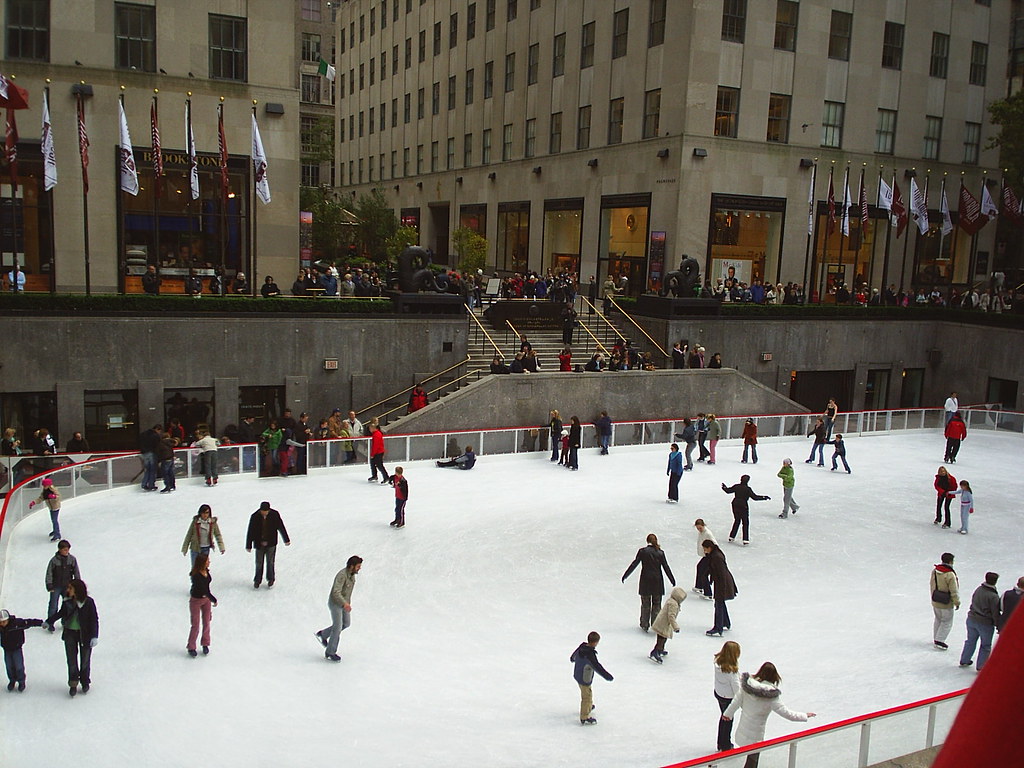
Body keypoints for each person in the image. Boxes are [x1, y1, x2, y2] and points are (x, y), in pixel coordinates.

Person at [722, 662, 816, 767]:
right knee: (752, 761)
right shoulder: (771, 697)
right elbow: (787, 713)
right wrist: (804, 715)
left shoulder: (747, 686)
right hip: (755, 736)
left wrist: (728, 714)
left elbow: (736, 701)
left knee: (750, 759)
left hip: (743, 730)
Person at [47, 579, 99, 697]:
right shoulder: (67, 601)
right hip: (70, 633)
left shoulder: (88, 602)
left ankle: (85, 681)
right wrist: (49, 621)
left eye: (70, 588)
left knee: (85, 660)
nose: (68, 590)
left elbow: (94, 619)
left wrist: (94, 635)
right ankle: (73, 683)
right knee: (71, 660)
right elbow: (61, 613)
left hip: (84, 634)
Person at [622, 533, 676, 633]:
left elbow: (635, 563)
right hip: (657, 581)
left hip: (645, 581)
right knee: (657, 604)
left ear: (647, 541)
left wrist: (626, 574)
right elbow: (666, 567)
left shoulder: (642, 552)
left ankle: (644, 624)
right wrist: (672, 579)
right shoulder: (660, 553)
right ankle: (655, 623)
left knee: (645, 603)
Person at [316, 555, 363, 662]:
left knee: (346, 623)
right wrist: (344, 603)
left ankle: (323, 634)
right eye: (358, 566)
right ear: (351, 566)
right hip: (336, 604)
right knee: (337, 628)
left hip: (344, 604)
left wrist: (347, 604)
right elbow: (336, 592)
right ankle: (330, 652)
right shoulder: (342, 575)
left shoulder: (351, 575)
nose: (359, 568)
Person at [959, 572, 1001, 671]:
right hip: (985, 623)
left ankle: (964, 659)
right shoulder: (993, 596)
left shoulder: (978, 589)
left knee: (970, 641)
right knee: (985, 645)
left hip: (972, 619)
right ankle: (981, 666)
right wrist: (998, 624)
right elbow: (995, 612)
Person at [570, 631, 613, 725]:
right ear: (595, 642)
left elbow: (573, 656)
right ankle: (584, 716)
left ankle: (588, 706)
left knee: (587, 693)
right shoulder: (590, 655)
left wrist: (573, 659)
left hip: (577, 674)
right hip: (584, 678)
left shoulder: (582, 647)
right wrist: (607, 676)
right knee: (587, 696)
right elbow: (597, 667)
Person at [245, 501, 291, 589]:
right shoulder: (255, 516)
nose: (264, 513)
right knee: (259, 562)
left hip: (271, 543)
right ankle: (257, 580)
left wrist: (286, 539)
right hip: (259, 543)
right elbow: (250, 531)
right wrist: (248, 545)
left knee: (270, 562)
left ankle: (271, 579)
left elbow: (281, 526)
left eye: (266, 511)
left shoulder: (274, 515)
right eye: (262, 511)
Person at [0, 609, 45, 692]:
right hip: (7, 650)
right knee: (9, 666)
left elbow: (29, 622)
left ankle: (21, 681)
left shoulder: (17, 624)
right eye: (1, 622)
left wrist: (40, 623)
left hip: (17, 649)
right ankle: (12, 680)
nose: (2, 624)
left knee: (19, 666)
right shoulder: (1, 628)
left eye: (4, 622)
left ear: (8, 619)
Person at [703, 540, 738, 636]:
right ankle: (725, 622)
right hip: (722, 582)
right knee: (720, 603)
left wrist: (722, 589)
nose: (704, 551)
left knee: (718, 604)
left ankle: (718, 627)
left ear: (709, 548)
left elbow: (721, 573)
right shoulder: (714, 555)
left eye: (705, 549)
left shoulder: (716, 557)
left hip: (723, 583)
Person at [722, 475, 770, 545]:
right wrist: (764, 497)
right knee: (745, 522)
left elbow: (728, 491)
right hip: (743, 505)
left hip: (735, 504)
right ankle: (745, 539)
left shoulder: (737, 486)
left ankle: (731, 537)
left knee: (737, 520)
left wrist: (724, 487)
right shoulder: (747, 489)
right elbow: (755, 497)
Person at [186, 553, 217, 658]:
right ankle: (191, 646)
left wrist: (209, 599)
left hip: (206, 600)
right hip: (196, 600)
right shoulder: (196, 576)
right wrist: (213, 599)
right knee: (196, 624)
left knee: (207, 621)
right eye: (207, 560)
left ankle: (205, 643)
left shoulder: (206, 572)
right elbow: (203, 589)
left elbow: (207, 588)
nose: (209, 562)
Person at [45, 540, 80, 632]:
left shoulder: (72, 559)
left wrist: (77, 584)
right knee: (53, 605)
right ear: (59, 550)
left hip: (68, 587)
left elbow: (76, 572)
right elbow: (49, 573)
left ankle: (65, 622)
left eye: (67, 549)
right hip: (56, 586)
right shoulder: (54, 561)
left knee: (68, 605)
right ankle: (50, 623)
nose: (66, 551)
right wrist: (49, 585)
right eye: (64, 550)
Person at [714, 640, 742, 752]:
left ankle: (720, 742)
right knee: (728, 719)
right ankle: (725, 744)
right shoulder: (732, 672)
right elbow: (737, 690)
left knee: (723, 717)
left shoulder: (717, 662)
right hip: (728, 698)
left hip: (719, 693)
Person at [649, 586, 688, 664]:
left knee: (663, 637)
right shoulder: (673, 604)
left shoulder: (671, 600)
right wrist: (675, 627)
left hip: (664, 623)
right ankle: (656, 651)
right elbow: (671, 616)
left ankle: (660, 650)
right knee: (661, 638)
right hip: (664, 624)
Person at [931, 552, 960, 650]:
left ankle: (936, 637)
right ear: (951, 561)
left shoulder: (935, 571)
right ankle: (940, 640)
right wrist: (956, 602)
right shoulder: (950, 574)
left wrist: (933, 596)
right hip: (946, 602)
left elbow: (932, 584)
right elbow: (954, 590)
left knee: (938, 619)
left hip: (936, 600)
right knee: (947, 621)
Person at [693, 519, 717, 599]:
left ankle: (708, 593)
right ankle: (699, 586)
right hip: (706, 555)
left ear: (703, 526)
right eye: (697, 528)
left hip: (709, 556)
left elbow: (714, 544)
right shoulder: (701, 532)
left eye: (700, 528)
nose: (699, 530)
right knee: (699, 567)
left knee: (704, 573)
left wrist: (711, 554)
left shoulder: (708, 534)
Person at [139, 423, 162, 491]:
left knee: (147, 470)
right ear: (158, 429)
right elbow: (157, 446)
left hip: (144, 453)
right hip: (152, 453)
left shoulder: (143, 434)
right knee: (152, 470)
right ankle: (151, 484)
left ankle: (144, 483)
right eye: (159, 431)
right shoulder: (155, 436)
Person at [367, 419, 390, 484]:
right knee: (373, 464)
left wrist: (372, 454)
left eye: (370, 428)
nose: (369, 430)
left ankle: (386, 477)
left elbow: (375, 446)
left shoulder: (376, 435)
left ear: (373, 428)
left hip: (378, 453)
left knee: (379, 465)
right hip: (378, 452)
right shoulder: (376, 434)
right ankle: (374, 476)